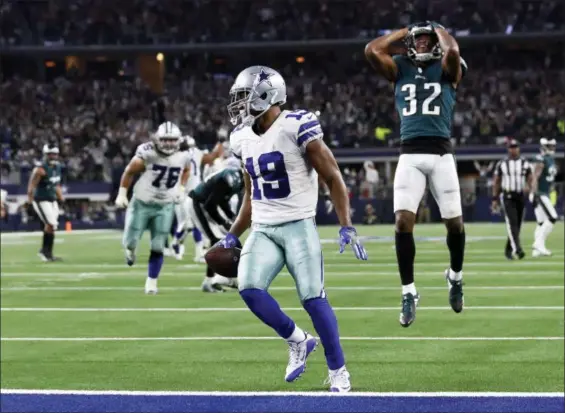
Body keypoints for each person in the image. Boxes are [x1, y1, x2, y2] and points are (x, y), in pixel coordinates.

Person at [218, 66, 367, 392]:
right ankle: (297, 340)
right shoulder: (241, 138)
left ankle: (338, 369)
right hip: (263, 227)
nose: (239, 105)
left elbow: (333, 177)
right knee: (249, 288)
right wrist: (233, 233)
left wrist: (347, 225)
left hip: (298, 224)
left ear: (265, 95)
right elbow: (250, 195)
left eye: (244, 97)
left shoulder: (296, 125)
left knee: (313, 298)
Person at [365, 21, 467, 327]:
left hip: (441, 154)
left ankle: (456, 277)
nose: (421, 44)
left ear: (436, 42)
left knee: (454, 224)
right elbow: (372, 49)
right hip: (409, 154)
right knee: (402, 221)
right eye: (417, 40)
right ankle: (409, 292)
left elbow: (454, 50)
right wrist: (407, 30)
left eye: (426, 39)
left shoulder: (450, 67)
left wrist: (439, 28)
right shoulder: (399, 67)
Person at [115, 122, 191, 294]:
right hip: (142, 202)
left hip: (165, 205)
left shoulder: (184, 153)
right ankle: (130, 251)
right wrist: (122, 193)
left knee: (158, 246)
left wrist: (180, 188)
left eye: (172, 140)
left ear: (179, 140)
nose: (169, 144)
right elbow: (129, 171)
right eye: (165, 140)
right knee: (130, 242)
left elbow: (187, 170)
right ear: (157, 139)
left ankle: (152, 282)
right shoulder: (148, 152)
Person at [189, 165, 244, 292]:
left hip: (206, 205)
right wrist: (223, 221)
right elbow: (210, 204)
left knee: (230, 239)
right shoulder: (231, 178)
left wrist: (231, 216)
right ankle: (209, 282)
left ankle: (230, 279)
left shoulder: (237, 178)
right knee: (217, 241)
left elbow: (222, 200)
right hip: (197, 203)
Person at [169, 136, 224, 261]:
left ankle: (183, 246)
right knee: (190, 223)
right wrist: (220, 142)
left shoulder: (177, 155)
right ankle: (178, 244)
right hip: (189, 192)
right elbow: (212, 156)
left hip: (184, 191)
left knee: (189, 223)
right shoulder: (197, 153)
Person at [491, 139, 533, 260]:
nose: (513, 149)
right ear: (508, 149)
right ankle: (517, 250)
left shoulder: (525, 163)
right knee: (512, 223)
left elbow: (530, 178)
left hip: (520, 196)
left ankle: (508, 250)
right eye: (511, 147)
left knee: (518, 225)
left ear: (519, 148)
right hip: (508, 196)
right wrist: (495, 198)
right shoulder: (502, 163)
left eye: (515, 146)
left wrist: (531, 190)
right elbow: (496, 182)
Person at [27, 143, 65, 262]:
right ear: (46, 155)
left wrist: (61, 198)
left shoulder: (57, 167)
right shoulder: (40, 169)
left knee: (52, 226)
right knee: (51, 224)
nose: (53, 156)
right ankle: (45, 252)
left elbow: (56, 184)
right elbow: (32, 185)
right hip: (41, 199)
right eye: (50, 154)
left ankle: (47, 252)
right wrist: (29, 201)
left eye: (55, 154)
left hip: (52, 199)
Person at [530, 138, 558, 257]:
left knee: (541, 222)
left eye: (552, 146)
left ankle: (536, 251)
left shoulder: (550, 159)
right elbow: (535, 176)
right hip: (540, 193)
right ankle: (538, 244)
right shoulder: (541, 159)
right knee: (552, 217)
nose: (552, 148)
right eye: (550, 146)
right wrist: (533, 192)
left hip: (544, 192)